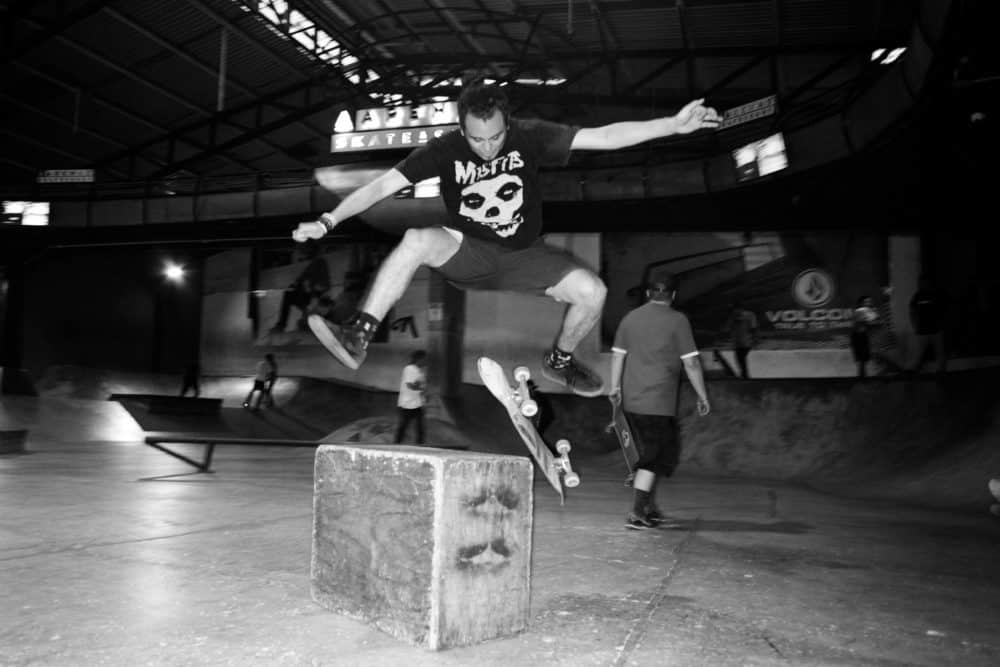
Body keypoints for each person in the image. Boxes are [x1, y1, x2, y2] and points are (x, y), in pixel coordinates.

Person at [292, 78, 721, 396]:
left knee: (594, 292)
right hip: (468, 252)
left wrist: (672, 125)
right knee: (416, 239)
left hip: (524, 255)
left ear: (508, 123)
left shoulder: (529, 135)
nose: (487, 148)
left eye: (495, 137)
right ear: (462, 130)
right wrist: (328, 220)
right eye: (476, 139)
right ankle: (359, 335)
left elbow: (603, 137)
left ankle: (560, 360)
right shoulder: (441, 149)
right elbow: (380, 187)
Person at [609, 275, 710, 530]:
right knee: (654, 458)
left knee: (651, 455)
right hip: (658, 403)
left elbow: (617, 358)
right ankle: (636, 512)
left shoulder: (630, 319)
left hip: (631, 401)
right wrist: (702, 395)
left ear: (647, 294)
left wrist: (615, 388)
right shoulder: (678, 321)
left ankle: (649, 507)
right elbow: (691, 363)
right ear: (673, 296)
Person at [270, 241, 331, 334]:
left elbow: (324, 285)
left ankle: (283, 325)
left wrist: (311, 289)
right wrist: (297, 284)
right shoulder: (313, 263)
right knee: (288, 294)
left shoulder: (320, 262)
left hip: (313, 297)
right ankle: (281, 325)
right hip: (306, 296)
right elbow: (301, 279)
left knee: (289, 294)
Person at [909, 274, 946, 374]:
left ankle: (941, 373)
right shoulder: (917, 296)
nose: (923, 284)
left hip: (936, 330)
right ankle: (914, 373)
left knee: (940, 353)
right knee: (919, 354)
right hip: (922, 330)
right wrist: (914, 325)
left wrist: (941, 324)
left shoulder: (935, 294)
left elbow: (942, 310)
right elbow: (912, 311)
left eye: (925, 282)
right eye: (921, 282)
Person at [395, 350, 428, 444]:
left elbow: (418, 386)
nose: (426, 361)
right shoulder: (409, 369)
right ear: (419, 359)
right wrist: (421, 388)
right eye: (424, 359)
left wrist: (423, 395)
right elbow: (410, 385)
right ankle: (396, 444)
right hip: (407, 404)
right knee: (403, 426)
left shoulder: (419, 371)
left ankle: (420, 446)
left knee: (420, 428)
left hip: (417, 403)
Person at [722, 300, 758, 378]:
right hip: (737, 344)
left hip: (746, 343)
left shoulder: (749, 315)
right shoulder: (732, 317)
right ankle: (744, 376)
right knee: (741, 362)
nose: (736, 311)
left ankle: (745, 377)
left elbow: (754, 328)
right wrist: (732, 320)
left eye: (737, 309)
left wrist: (755, 340)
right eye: (734, 310)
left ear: (741, 308)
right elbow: (726, 329)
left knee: (741, 361)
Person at [849, 296, 878, 378]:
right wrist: (872, 320)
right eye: (866, 302)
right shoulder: (860, 311)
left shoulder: (871, 311)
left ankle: (864, 377)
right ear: (861, 303)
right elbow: (864, 322)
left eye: (870, 301)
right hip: (858, 337)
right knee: (861, 361)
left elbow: (874, 322)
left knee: (865, 360)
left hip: (865, 336)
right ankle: (861, 379)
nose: (869, 303)